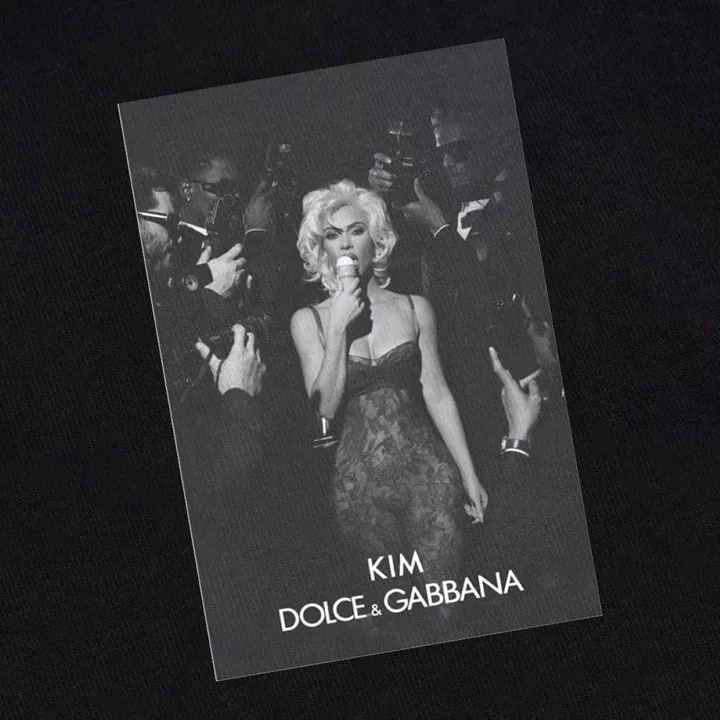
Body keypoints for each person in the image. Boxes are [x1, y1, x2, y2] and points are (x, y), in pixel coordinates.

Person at [290, 179, 489, 636]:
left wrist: (469, 473)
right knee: (395, 622)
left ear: (375, 240)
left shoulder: (415, 307)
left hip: (429, 477)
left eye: (356, 230)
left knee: (446, 612)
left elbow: (438, 393)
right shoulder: (309, 321)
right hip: (358, 490)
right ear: (321, 249)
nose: (345, 243)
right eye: (333, 235)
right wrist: (339, 327)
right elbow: (324, 410)